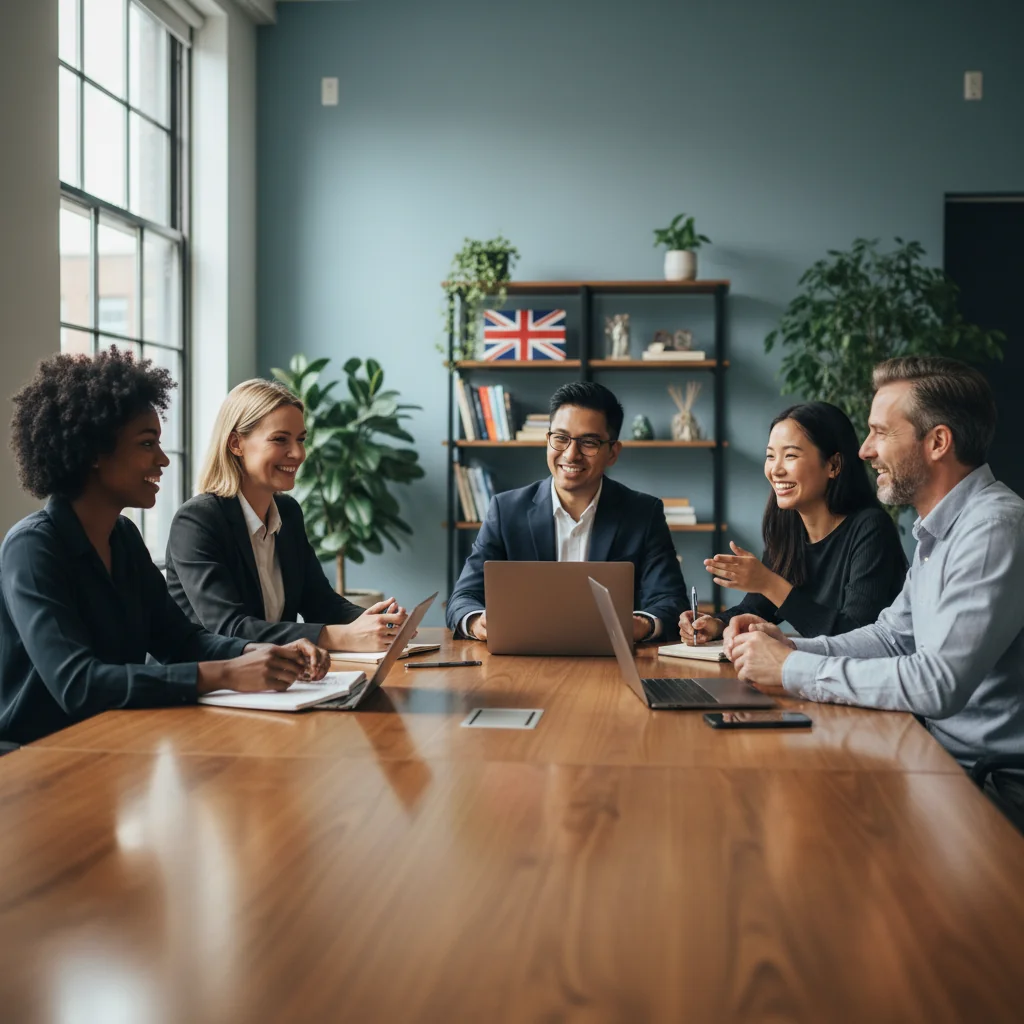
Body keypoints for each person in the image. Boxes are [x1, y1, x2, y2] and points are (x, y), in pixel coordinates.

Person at [725, 357, 1024, 830]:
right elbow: (889, 637)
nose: (865, 451)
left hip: (994, 785)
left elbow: (937, 684)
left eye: (881, 433)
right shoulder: (939, 530)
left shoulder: (993, 530)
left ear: (937, 442)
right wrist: (789, 647)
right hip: (938, 759)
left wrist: (792, 668)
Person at [0, 350, 330, 746]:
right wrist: (226, 673)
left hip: (113, 742)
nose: (162, 459)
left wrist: (259, 651)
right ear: (92, 453)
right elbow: (77, 684)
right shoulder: (33, 547)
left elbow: (180, 641)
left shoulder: (122, 537)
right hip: (35, 759)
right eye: (146, 443)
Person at [165, 379, 407, 652]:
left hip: (271, 680)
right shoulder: (197, 521)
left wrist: (377, 623)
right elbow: (230, 628)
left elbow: (320, 603)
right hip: (206, 684)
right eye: (280, 439)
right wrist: (342, 637)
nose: (298, 453)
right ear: (236, 443)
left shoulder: (288, 513)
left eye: (301, 439)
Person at [446, 381, 687, 642]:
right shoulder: (506, 511)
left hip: (611, 665)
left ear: (613, 452)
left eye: (589, 442)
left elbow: (670, 601)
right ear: (548, 440)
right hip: (521, 662)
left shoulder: (643, 513)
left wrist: (642, 625)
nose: (571, 455)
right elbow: (463, 599)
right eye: (560, 438)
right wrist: (475, 622)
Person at [680, 402, 906, 643]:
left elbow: (856, 638)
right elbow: (757, 608)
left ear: (833, 465)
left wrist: (768, 583)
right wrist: (715, 624)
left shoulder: (871, 529)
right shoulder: (789, 528)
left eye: (790, 455)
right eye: (770, 456)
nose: (775, 470)